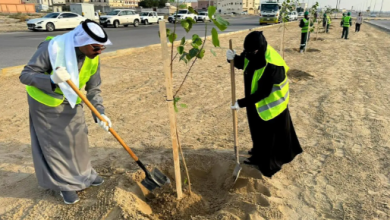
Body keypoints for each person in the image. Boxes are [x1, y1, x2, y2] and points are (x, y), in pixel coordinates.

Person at [19, 19, 113, 205]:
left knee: (78, 138)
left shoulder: (93, 58)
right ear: (82, 42)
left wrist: (100, 113)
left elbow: (94, 89)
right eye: (96, 48)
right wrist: (52, 80)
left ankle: (85, 174)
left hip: (72, 101)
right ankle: (65, 185)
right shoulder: (52, 47)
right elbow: (25, 75)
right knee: (56, 144)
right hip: (45, 103)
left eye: (102, 48)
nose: (99, 51)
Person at [225, 31, 303, 178]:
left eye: (251, 52)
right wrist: (233, 59)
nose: (247, 54)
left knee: (269, 137)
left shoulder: (272, 65)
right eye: (246, 51)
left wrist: (240, 103)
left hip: (272, 106)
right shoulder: (252, 52)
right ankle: (257, 152)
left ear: (260, 48)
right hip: (255, 103)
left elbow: (263, 93)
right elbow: (244, 63)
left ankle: (266, 163)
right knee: (256, 130)